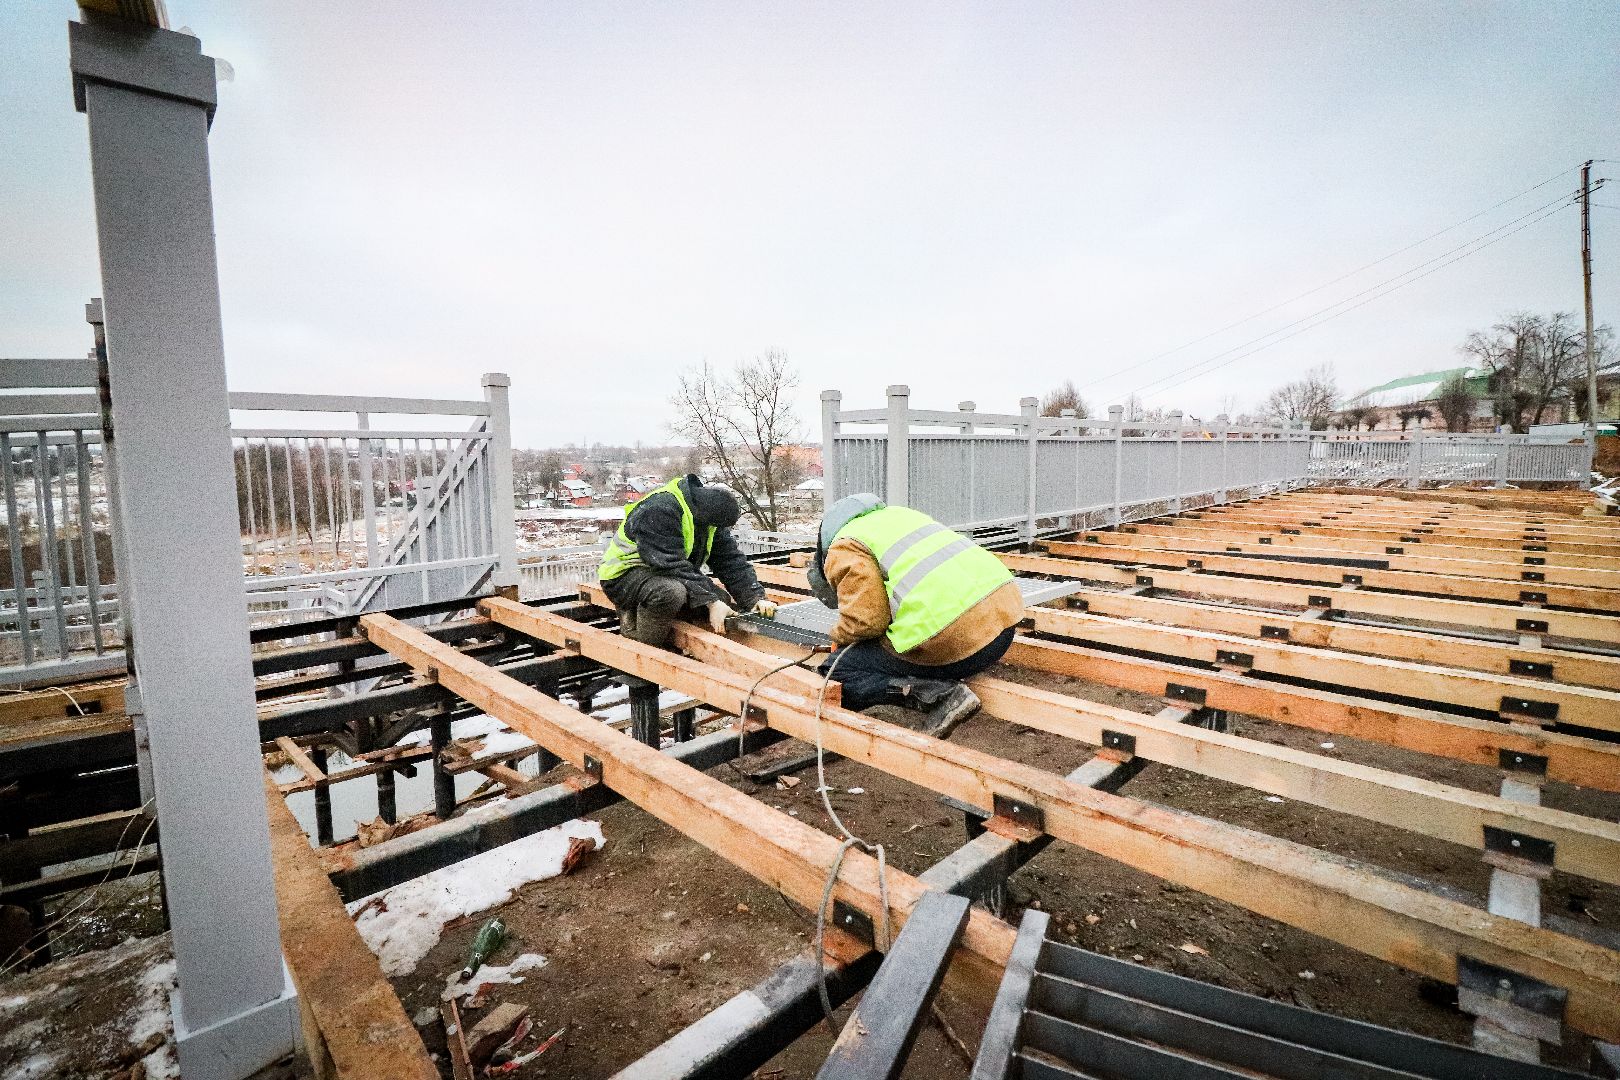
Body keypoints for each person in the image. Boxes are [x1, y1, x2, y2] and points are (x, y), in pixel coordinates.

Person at [807, 493, 1022, 735]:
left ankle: (938, 696)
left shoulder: (843, 546)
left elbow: (867, 623)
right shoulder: (901, 517)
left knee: (837, 670)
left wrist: (839, 637)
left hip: (960, 645)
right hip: (1004, 630)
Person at [599, 474, 772, 647]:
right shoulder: (660, 509)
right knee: (670, 593)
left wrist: (754, 599)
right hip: (624, 576)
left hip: (662, 572)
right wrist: (710, 602)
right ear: (704, 515)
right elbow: (668, 564)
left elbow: (730, 561)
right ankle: (640, 640)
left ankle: (660, 620)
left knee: (722, 601)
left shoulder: (707, 516)